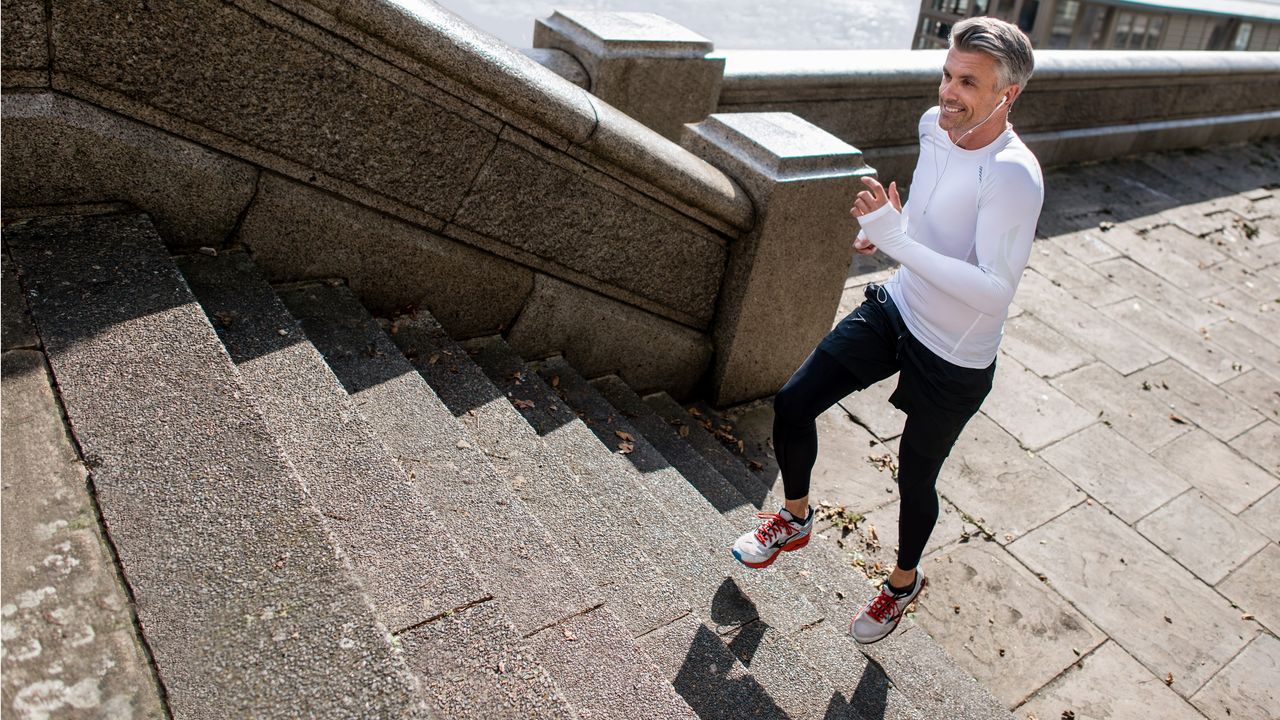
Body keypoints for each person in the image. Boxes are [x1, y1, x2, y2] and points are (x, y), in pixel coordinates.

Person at [730, 16, 1044, 645]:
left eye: (968, 84)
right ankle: (794, 518)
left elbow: (994, 289)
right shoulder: (935, 127)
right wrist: (892, 229)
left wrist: (901, 242)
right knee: (793, 402)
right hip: (899, 307)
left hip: (955, 354)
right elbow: (930, 221)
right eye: (947, 74)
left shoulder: (1013, 175)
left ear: (1007, 95)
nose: (947, 93)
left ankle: (902, 585)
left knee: (914, 475)